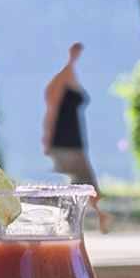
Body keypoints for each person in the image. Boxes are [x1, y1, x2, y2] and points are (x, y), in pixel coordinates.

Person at [43, 42, 98, 188]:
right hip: (63, 142)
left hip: (75, 141)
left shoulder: (71, 76)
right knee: (81, 187)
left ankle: (91, 211)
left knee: (85, 187)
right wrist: (47, 140)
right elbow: (51, 110)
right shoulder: (58, 81)